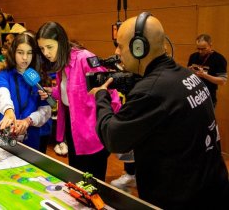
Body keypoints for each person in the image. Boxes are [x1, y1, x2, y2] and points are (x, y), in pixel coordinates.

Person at [90, 13, 229, 209]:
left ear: (139, 48)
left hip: (183, 199)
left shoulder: (152, 90)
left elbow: (113, 138)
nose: (117, 52)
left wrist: (101, 96)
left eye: (120, 45)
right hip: (212, 189)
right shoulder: (185, 74)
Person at [36, 21, 121, 181]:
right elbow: (70, 92)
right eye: (42, 48)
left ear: (60, 41)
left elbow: (109, 88)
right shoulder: (61, 63)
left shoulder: (85, 58)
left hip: (93, 131)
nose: (46, 53)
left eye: (49, 47)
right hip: (74, 129)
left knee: (93, 182)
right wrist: (51, 92)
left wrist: (113, 126)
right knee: (77, 179)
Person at [0, 33, 52, 150]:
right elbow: (2, 93)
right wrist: (9, 112)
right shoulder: (4, 73)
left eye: (29, 53)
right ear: (13, 52)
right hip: (5, 134)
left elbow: (45, 110)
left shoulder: (39, 77)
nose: (25, 58)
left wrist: (28, 120)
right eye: (20, 52)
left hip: (31, 137)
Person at [187, 34, 227, 107]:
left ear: (210, 46)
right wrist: (188, 72)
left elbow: (222, 81)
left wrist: (205, 76)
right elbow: (188, 75)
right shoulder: (193, 56)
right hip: (193, 97)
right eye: (198, 48)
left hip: (209, 97)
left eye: (203, 49)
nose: (200, 51)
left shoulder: (219, 59)